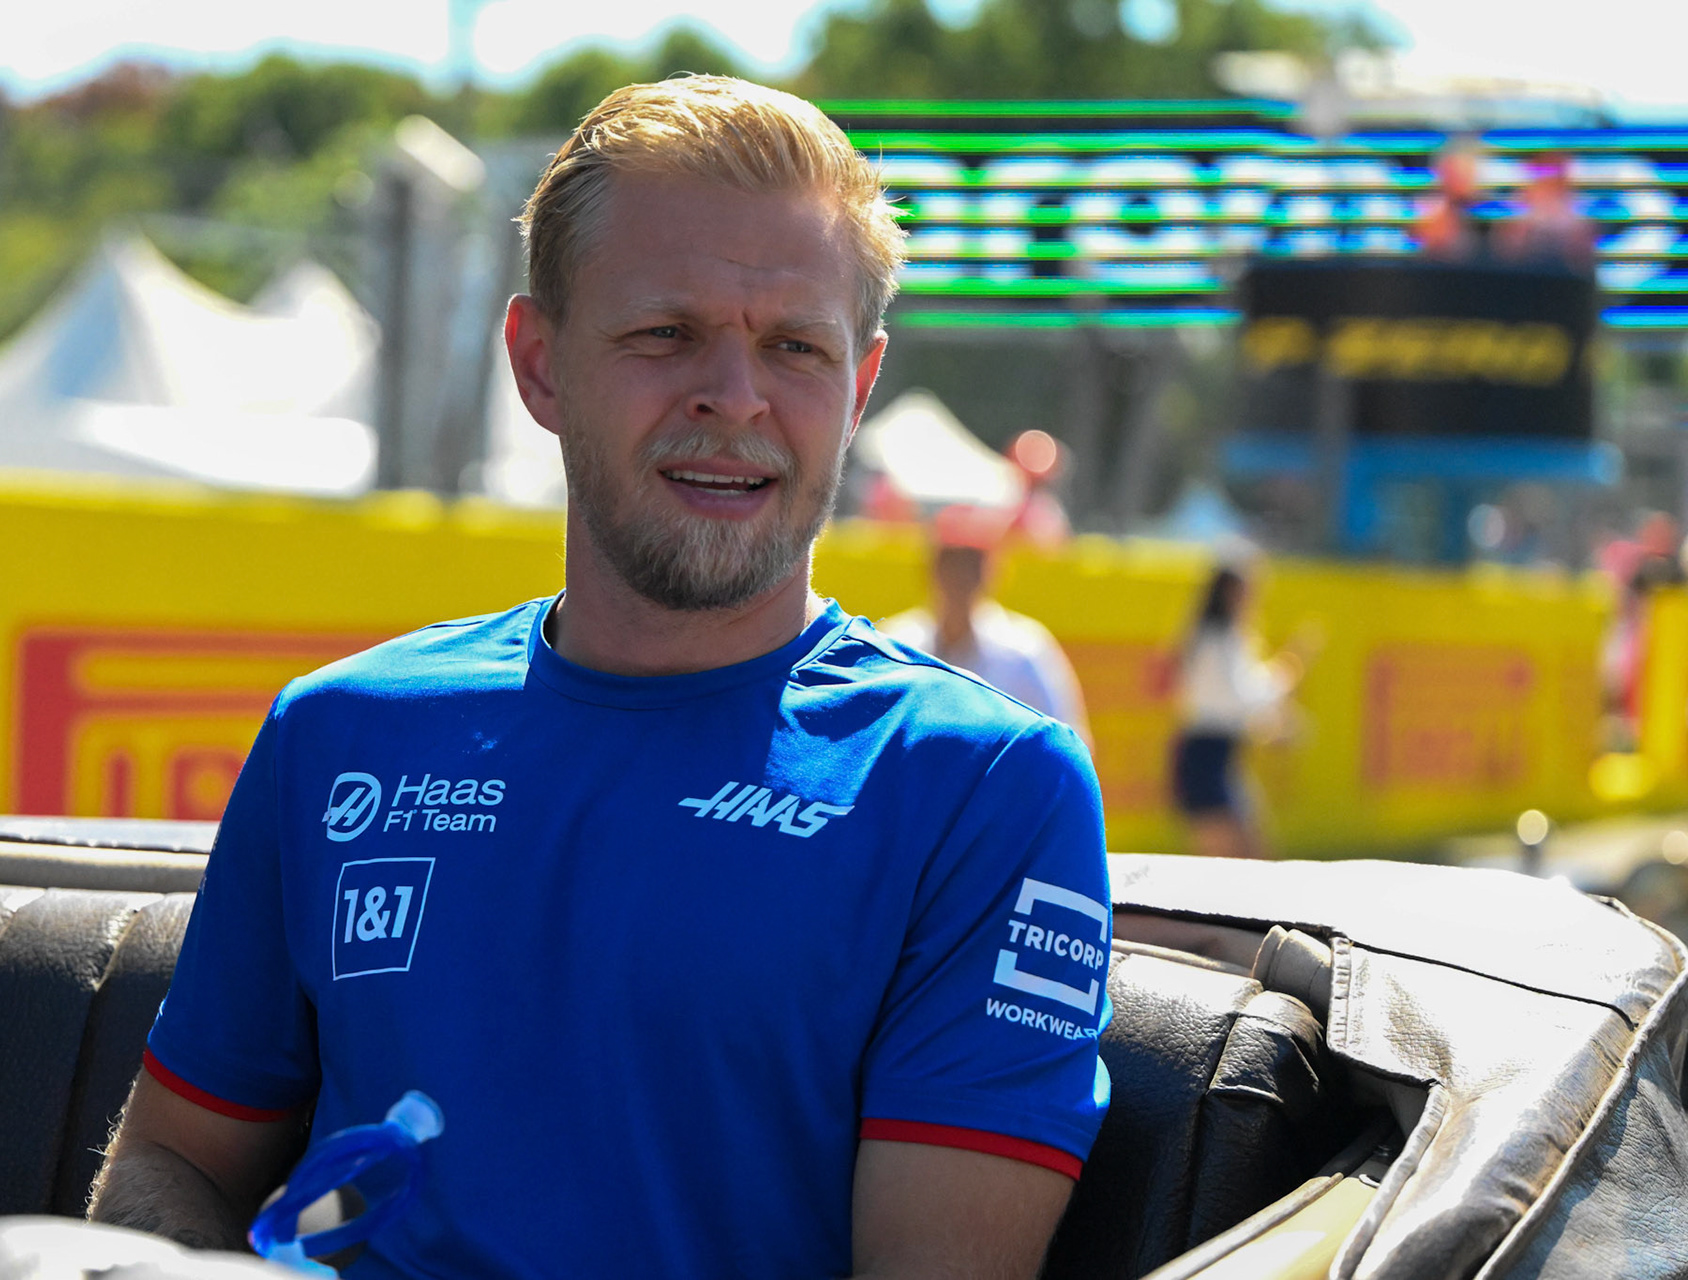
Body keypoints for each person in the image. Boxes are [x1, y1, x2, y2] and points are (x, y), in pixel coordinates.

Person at [88, 76, 1111, 1280]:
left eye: (794, 347)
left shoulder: (984, 789)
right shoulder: (338, 734)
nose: (734, 399)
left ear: (859, 387)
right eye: (666, 333)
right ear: (541, 364)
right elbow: (175, 1161)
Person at [879, 504, 1091, 745]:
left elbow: (1069, 743)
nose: (961, 576)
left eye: (972, 564)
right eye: (952, 562)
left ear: (991, 571)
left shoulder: (1024, 652)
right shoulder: (898, 645)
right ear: (932, 568)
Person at [1169, 563, 1299, 860]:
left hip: (1225, 758)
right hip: (1204, 759)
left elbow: (1244, 702)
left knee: (1256, 858)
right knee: (1222, 867)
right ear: (1229, 592)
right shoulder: (1213, 639)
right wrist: (1281, 679)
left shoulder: (1231, 638)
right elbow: (1236, 701)